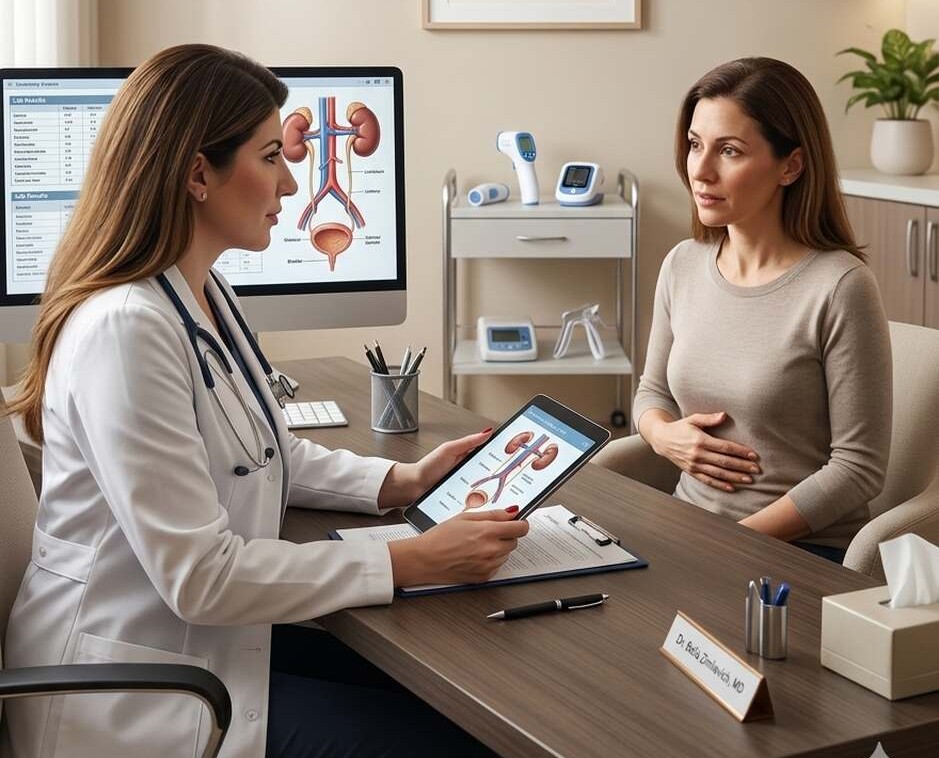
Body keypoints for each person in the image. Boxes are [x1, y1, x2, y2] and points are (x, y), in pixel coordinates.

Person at [2, 44, 528, 758]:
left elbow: (257, 453)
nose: (290, 181)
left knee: (448, 707)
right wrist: (414, 559)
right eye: (271, 156)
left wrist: (398, 482)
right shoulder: (124, 330)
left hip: (199, 644)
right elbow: (201, 579)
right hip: (133, 686)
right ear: (198, 174)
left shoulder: (203, 292)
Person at [599, 57, 892, 564]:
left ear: (791, 166)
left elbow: (858, 469)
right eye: (695, 144)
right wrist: (664, 436)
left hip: (797, 553)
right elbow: (652, 392)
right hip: (687, 532)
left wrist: (730, 542)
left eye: (729, 150)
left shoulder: (841, 287)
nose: (700, 170)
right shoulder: (682, 264)